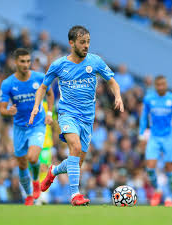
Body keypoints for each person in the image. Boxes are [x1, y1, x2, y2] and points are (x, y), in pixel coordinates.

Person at [29, 25, 124, 206]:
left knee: (76, 163)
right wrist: (36, 107)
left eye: (88, 42)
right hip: (67, 114)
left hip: (87, 118)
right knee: (75, 146)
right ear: (71, 43)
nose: (86, 46)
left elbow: (113, 82)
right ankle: (75, 195)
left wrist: (118, 96)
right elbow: (43, 87)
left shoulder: (95, 61)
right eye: (82, 42)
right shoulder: (58, 65)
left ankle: (54, 171)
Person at [0, 48, 54, 205]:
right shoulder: (8, 83)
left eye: (28, 61)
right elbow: (1, 109)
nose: (26, 64)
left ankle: (35, 181)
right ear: (16, 62)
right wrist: (8, 112)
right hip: (19, 128)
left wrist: (49, 113)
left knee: (33, 157)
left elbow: (49, 94)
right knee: (22, 164)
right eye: (22, 61)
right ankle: (29, 195)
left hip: (37, 124)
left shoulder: (39, 78)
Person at [139, 75, 172, 207]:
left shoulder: (170, 99)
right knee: (150, 168)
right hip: (154, 137)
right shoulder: (149, 99)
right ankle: (158, 190)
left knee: (169, 169)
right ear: (155, 85)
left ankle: (169, 196)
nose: (160, 87)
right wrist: (141, 135)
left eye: (163, 85)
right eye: (158, 85)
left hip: (168, 137)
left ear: (166, 85)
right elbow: (143, 118)